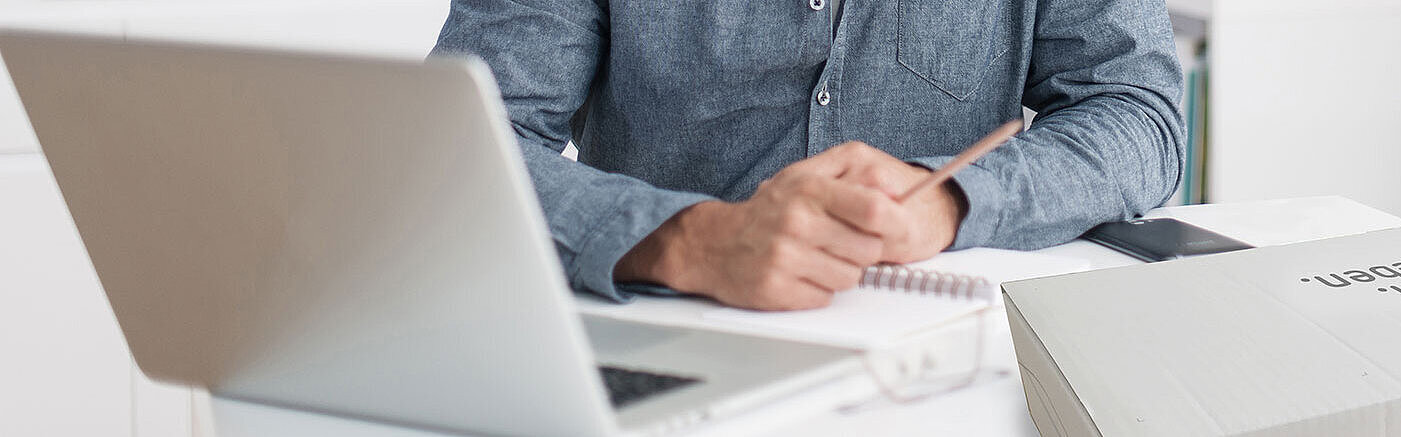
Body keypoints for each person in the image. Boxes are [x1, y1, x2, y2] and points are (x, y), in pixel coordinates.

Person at [432, 0, 1185, 310]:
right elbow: (449, 155)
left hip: (941, 353)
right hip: (670, 335)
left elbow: (1137, 113)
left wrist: (950, 200)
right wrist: (686, 240)